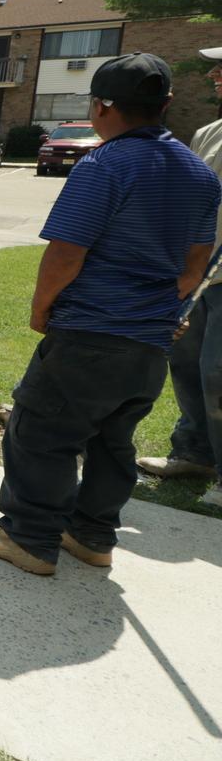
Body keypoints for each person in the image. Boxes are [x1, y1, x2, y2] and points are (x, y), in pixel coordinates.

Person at [0, 53, 221, 575]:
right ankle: (91, 535)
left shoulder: (103, 165)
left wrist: (42, 310)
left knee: (42, 432)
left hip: (89, 332)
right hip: (151, 340)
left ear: (101, 107)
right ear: (165, 104)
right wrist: (158, 308)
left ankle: (30, 537)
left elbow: (65, 254)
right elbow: (197, 264)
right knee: (112, 439)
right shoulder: (200, 173)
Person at [137, 46, 222, 507]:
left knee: (219, 371)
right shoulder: (210, 132)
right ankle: (195, 452)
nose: (213, 74)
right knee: (187, 364)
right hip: (199, 275)